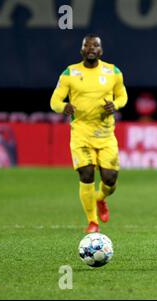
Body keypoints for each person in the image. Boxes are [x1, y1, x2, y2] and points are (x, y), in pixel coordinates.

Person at [50, 34, 128, 233]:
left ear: (101, 51)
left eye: (95, 45)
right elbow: (54, 101)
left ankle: (100, 198)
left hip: (105, 135)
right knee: (86, 174)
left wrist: (116, 104)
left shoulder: (113, 71)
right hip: (81, 134)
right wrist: (63, 107)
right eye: (87, 45)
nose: (91, 48)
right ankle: (93, 222)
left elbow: (122, 95)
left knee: (110, 180)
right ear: (82, 50)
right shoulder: (70, 73)